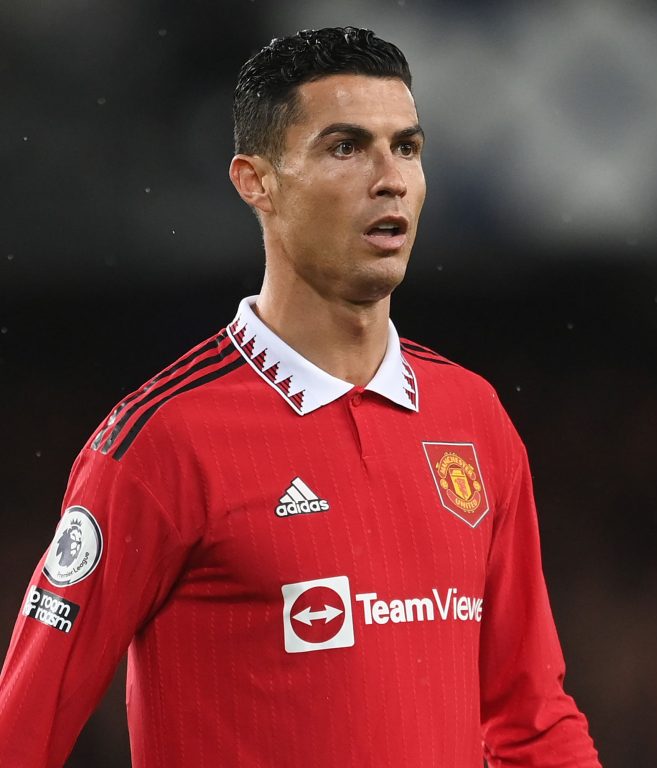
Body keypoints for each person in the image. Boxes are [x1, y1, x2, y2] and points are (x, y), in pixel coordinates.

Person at [0, 27, 601, 767]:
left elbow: (532, 721)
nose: (390, 178)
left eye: (406, 148)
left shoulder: (473, 417)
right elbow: (21, 732)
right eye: (346, 147)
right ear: (256, 181)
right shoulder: (162, 443)